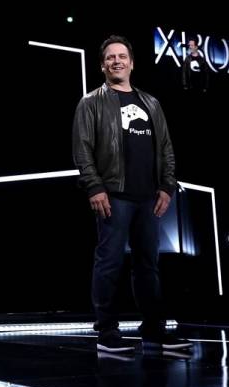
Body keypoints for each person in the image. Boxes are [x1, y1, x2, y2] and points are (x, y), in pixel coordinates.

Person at [72, 35, 192, 353]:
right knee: (109, 263)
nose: (117, 61)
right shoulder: (91, 102)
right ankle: (107, 332)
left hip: (148, 196)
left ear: (131, 63)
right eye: (110, 57)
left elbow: (166, 148)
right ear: (102, 65)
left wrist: (166, 186)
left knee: (148, 265)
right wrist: (94, 186)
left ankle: (154, 330)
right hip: (113, 194)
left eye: (122, 56)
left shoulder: (151, 103)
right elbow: (82, 149)